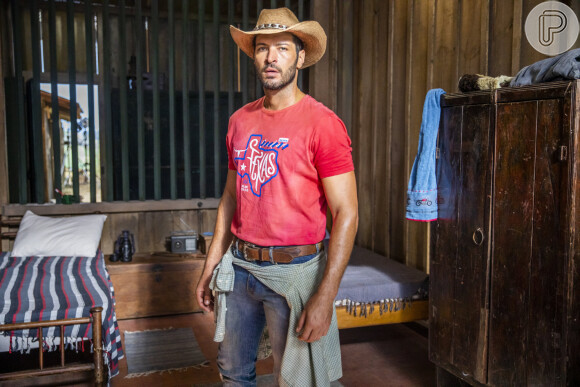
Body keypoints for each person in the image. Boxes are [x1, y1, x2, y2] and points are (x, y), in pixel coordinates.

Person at [195, 7, 358, 387]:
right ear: (253, 55)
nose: (271, 57)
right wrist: (211, 266)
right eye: (263, 48)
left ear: (300, 57)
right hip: (239, 271)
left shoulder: (323, 124)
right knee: (234, 374)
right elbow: (231, 199)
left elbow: (346, 212)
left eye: (282, 48)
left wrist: (325, 296)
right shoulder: (240, 121)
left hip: (295, 275)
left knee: (296, 382)